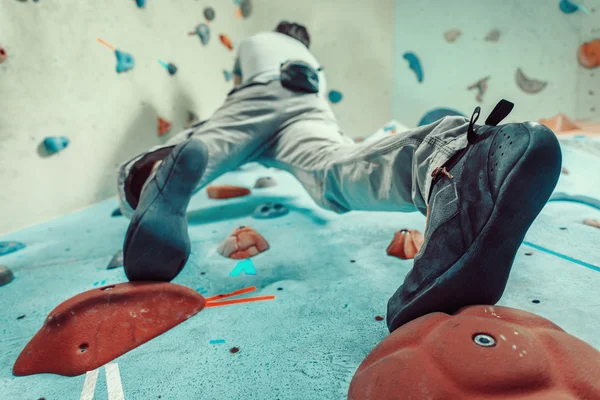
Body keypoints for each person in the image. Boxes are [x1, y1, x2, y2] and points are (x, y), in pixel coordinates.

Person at [116, 21, 562, 333]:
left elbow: (237, 85)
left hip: (256, 96)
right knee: (338, 168)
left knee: (209, 144)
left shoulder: (255, 42)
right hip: (309, 106)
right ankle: (455, 165)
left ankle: (153, 178)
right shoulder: (316, 67)